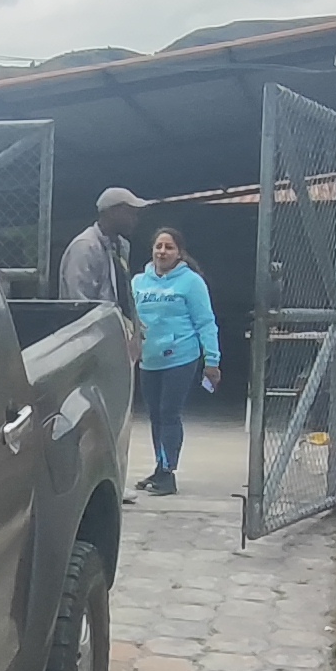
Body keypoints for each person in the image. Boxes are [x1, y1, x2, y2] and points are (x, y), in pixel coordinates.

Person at [126, 227, 218, 497]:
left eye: (169, 247)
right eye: (159, 246)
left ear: (179, 253)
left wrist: (212, 360)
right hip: (149, 359)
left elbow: (206, 322)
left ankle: (168, 474)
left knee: (168, 413)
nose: (162, 252)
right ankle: (160, 467)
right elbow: (129, 319)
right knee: (154, 415)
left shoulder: (191, 282)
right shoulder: (138, 282)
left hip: (180, 357)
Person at [57, 189, 146, 310]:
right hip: (90, 321)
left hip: (114, 319)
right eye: (130, 214)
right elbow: (78, 301)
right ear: (112, 213)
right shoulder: (85, 247)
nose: (135, 220)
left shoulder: (122, 246)